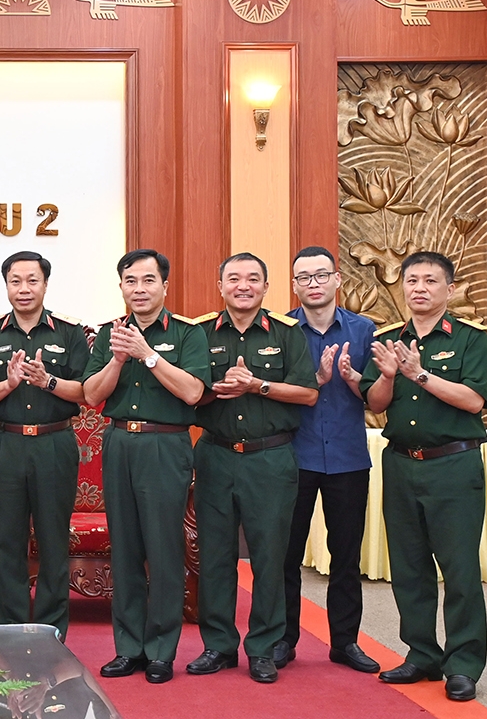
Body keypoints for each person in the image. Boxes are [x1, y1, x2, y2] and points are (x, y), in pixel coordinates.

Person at [362, 251, 487, 703]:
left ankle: (463, 665)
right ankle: (422, 654)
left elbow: (474, 401)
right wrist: (388, 375)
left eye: (430, 281)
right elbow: (376, 403)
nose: (419, 288)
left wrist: (419, 374)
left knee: (459, 570)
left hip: (452, 466)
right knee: (409, 567)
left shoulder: (471, 339)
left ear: (449, 289)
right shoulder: (387, 339)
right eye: (412, 280)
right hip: (401, 464)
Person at [186, 252, 317, 684]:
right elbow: (189, 393)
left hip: (270, 458)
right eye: (234, 279)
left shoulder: (287, 333)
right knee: (215, 556)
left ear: (266, 287)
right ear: (220, 286)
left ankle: (262, 647)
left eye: (253, 279)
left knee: (269, 556)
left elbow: (307, 393)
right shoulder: (199, 333)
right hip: (216, 454)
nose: (243, 286)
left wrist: (256, 385)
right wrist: (216, 389)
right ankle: (218, 645)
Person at [81, 249, 207, 685]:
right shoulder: (108, 334)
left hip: (164, 444)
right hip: (119, 443)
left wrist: (148, 355)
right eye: (130, 281)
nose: (139, 289)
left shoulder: (189, 333)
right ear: (121, 286)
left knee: (164, 550)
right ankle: (128, 648)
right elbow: (91, 395)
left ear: (164, 286)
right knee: (126, 549)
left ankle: (160, 651)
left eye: (148, 280)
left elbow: (193, 392)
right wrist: (118, 358)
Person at [0, 251, 88, 637]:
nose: (24, 288)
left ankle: (51, 630)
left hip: (55, 444)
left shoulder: (69, 332)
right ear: (6, 285)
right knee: (8, 539)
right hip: (7, 443)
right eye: (15, 281)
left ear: (45, 284)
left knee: (54, 540)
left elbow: (86, 392)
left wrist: (46, 381)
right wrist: (9, 384)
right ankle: (11, 629)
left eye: (32, 280)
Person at [279, 245, 379, 675]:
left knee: (346, 556)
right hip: (293, 456)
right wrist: (314, 381)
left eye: (321, 275)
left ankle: (345, 642)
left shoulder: (364, 330)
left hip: (348, 458)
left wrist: (353, 380)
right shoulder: (282, 331)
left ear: (337, 279)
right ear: (294, 285)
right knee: (285, 556)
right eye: (304, 277)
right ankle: (284, 640)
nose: (313, 284)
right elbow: (274, 395)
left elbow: (377, 396)